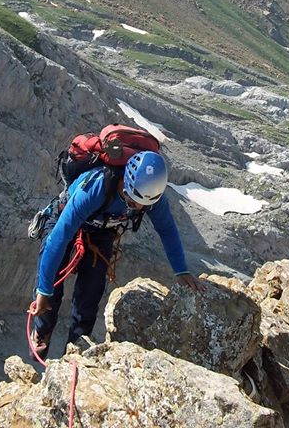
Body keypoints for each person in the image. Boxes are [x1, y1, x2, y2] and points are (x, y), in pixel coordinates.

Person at [28, 150, 203, 360]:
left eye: (142, 205)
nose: (138, 207)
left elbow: (167, 229)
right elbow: (58, 239)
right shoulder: (96, 187)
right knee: (51, 287)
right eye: (132, 201)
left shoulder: (152, 197)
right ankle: (42, 328)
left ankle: (74, 351)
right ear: (125, 182)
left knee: (91, 293)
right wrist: (44, 291)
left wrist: (181, 269)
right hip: (64, 217)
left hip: (102, 229)